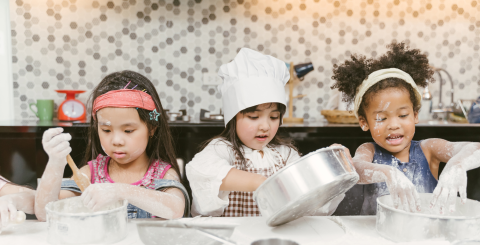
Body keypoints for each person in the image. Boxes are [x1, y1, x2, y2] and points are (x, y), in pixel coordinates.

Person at [187, 48, 344, 217]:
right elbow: (202, 172)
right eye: (254, 117)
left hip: (273, 239)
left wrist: (331, 162)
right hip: (232, 237)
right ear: (233, 117)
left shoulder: (285, 154)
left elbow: (310, 199)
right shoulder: (222, 149)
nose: (265, 126)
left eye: (274, 117)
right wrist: (261, 182)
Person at [331, 42, 480, 215]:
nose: (394, 125)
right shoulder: (369, 150)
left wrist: (458, 164)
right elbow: (356, 167)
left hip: (423, 238)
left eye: (403, 116)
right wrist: (389, 173)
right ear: (364, 122)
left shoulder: (429, 149)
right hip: (378, 238)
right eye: (381, 118)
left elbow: (475, 148)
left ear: (415, 115)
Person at [34, 71, 189, 221]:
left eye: (128, 130)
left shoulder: (162, 174)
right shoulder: (90, 174)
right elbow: (45, 213)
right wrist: (55, 163)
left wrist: (120, 191)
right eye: (106, 130)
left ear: (151, 128)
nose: (116, 140)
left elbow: (175, 209)